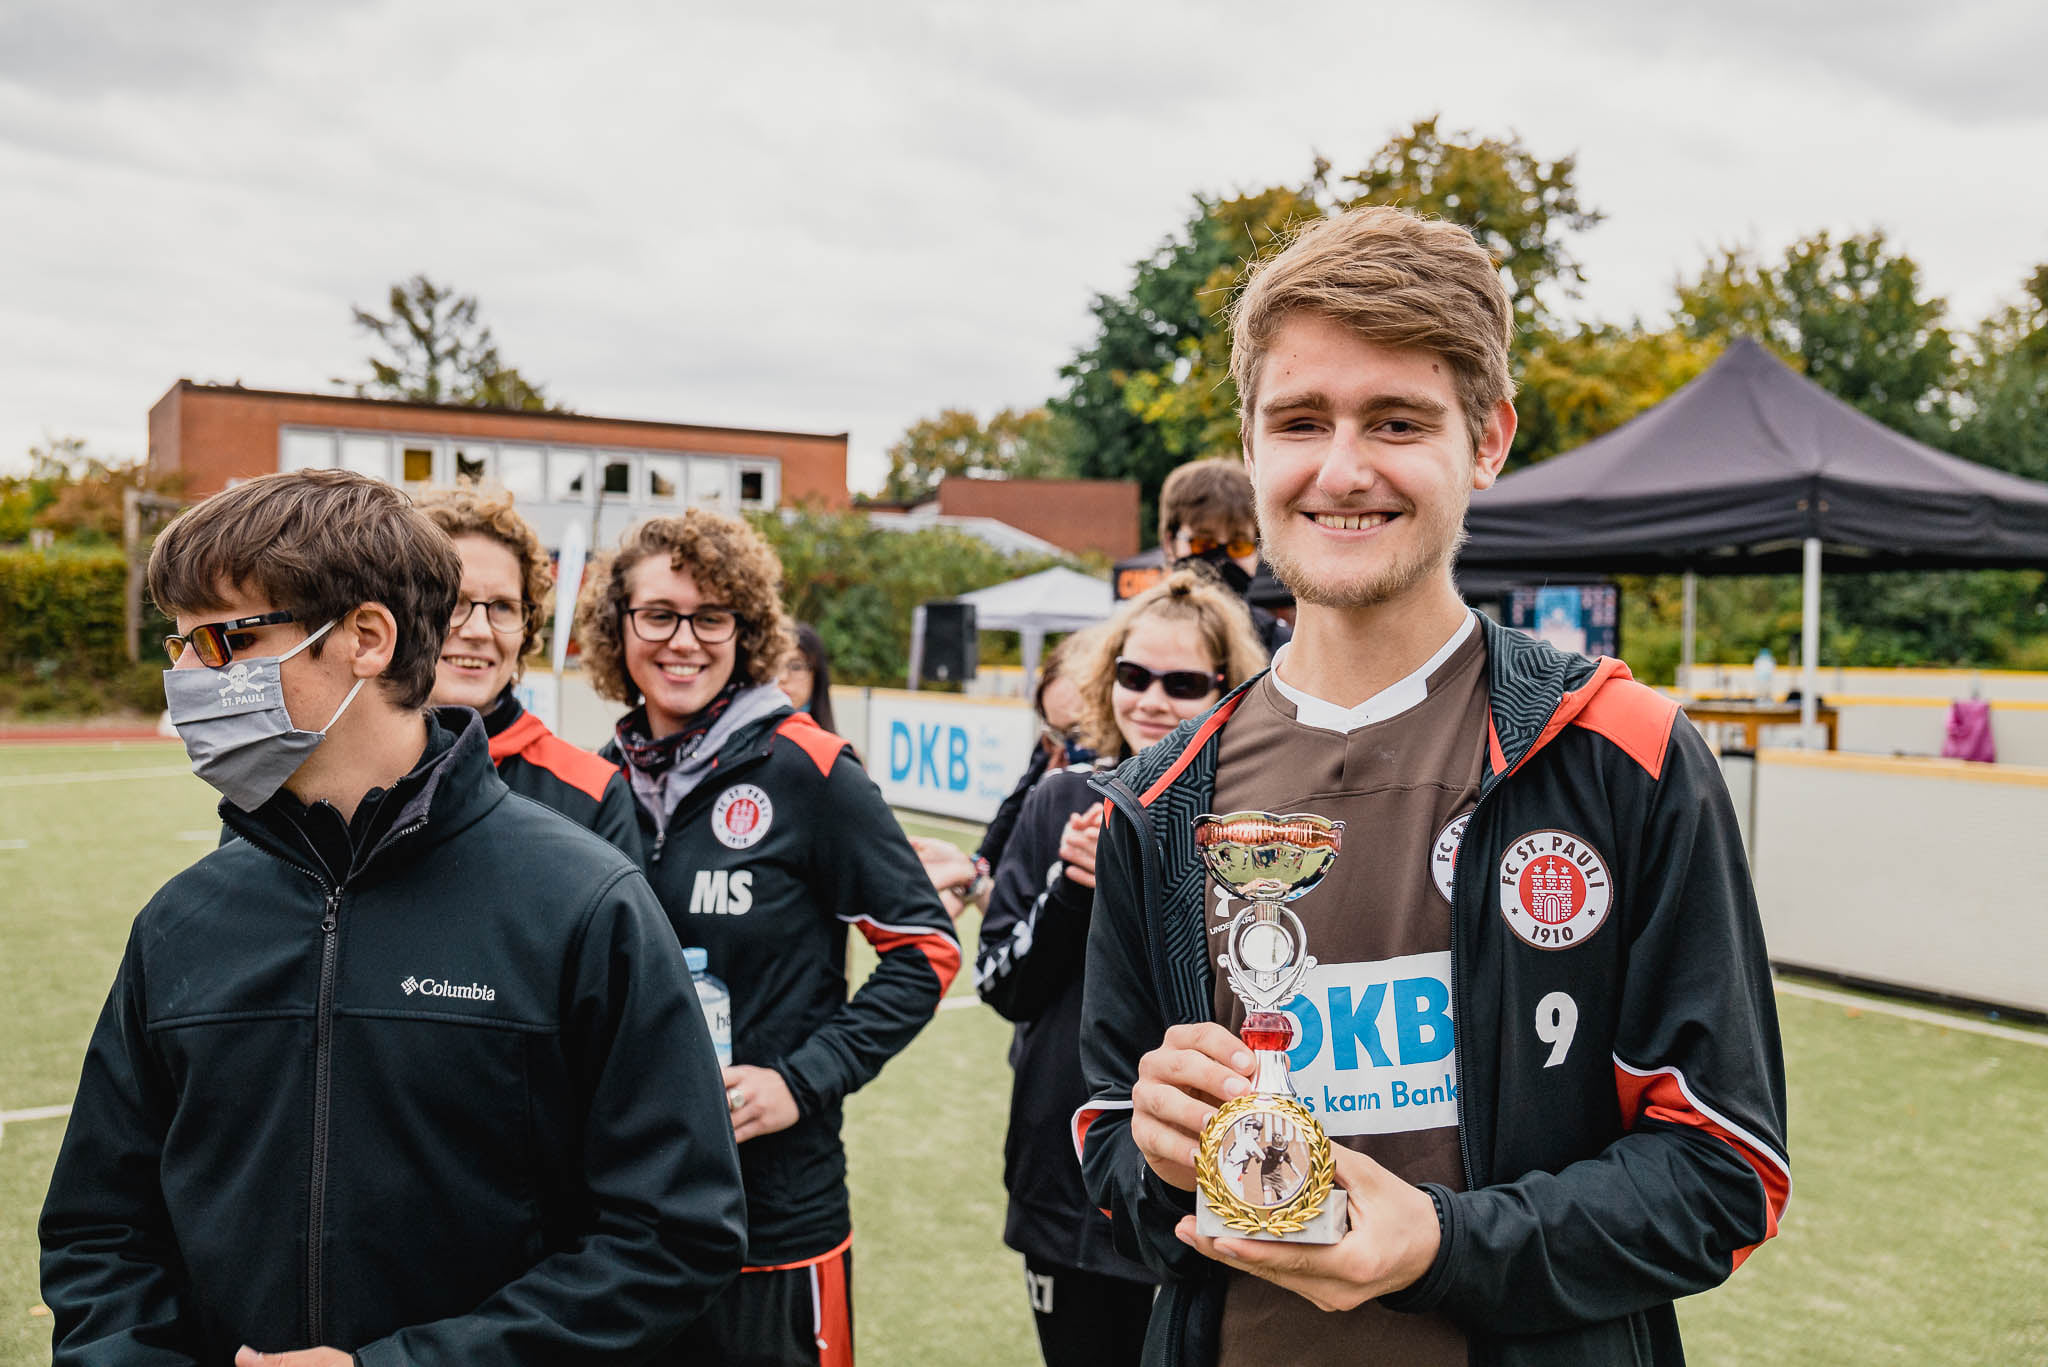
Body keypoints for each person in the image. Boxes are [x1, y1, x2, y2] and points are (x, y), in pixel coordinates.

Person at [1075, 206, 1790, 1366]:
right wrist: (1152, 1149)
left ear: (1488, 439)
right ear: (1251, 446)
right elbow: (1109, 1161)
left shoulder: (1624, 748)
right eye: (1300, 419)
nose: (1342, 467)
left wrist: (1443, 1243)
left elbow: (1724, 1170)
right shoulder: (1154, 801)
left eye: (1396, 420)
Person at [40, 469, 746, 1365]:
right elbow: (97, 1230)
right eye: (179, 647)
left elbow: (674, 1234)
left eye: (222, 642)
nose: (185, 679)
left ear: (367, 637)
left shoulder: (584, 904)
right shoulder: (183, 920)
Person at [575, 509, 961, 1367]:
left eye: (712, 616)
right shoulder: (593, 782)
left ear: (746, 632)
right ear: (619, 626)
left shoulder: (811, 768)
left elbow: (925, 951)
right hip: (624, 1216)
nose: (685, 640)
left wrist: (800, 1080)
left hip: (776, 1211)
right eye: (659, 614)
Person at [977, 572, 1266, 1367]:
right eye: (1132, 676)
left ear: (1224, 686)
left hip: (1204, 1177)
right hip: (1065, 1180)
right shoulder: (1058, 799)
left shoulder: (1248, 822)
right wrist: (1071, 890)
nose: (1150, 700)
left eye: (1181, 683)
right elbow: (1002, 986)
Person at [417, 484, 641, 856]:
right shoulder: (345, 775)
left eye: (503, 606)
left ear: (527, 626)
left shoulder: (591, 793)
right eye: (454, 602)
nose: (478, 630)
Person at [915, 630, 1097, 921]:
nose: (1066, 746)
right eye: (1055, 732)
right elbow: (1014, 810)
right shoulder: (1053, 750)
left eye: (1077, 732)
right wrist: (974, 868)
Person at [1157, 458, 1291, 654]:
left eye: (1238, 546)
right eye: (1203, 543)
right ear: (1170, 544)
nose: (1221, 561)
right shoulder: (1139, 635)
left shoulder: (1281, 647)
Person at [779, 621, 838, 735]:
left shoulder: (837, 750)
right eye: (774, 665)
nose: (782, 677)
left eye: (796, 667)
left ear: (816, 675)